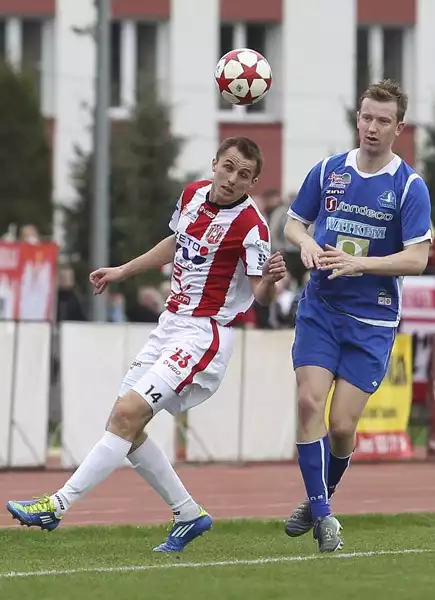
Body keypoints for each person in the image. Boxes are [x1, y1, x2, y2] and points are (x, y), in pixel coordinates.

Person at [6, 136, 286, 552]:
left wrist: (270, 282)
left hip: (202, 333)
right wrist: (123, 270)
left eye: (243, 175)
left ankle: (56, 505)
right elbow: (174, 244)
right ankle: (188, 513)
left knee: (125, 414)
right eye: (227, 167)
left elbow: (259, 296)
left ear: (252, 182)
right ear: (214, 163)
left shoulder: (251, 227)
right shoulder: (192, 194)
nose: (232, 179)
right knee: (126, 427)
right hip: (169, 325)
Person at [283, 79, 432, 553]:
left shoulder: (408, 186)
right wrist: (305, 243)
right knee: (309, 404)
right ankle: (325, 517)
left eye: (382, 120)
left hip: (373, 321)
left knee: (343, 426)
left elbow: (417, 259)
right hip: (321, 309)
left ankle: (319, 495)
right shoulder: (328, 170)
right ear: (358, 118)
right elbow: (292, 222)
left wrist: (361, 264)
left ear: (398, 127)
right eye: (366, 117)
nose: (371, 127)